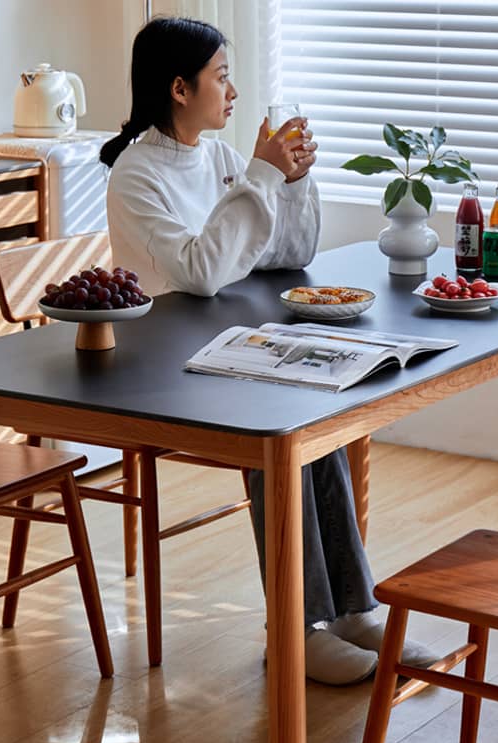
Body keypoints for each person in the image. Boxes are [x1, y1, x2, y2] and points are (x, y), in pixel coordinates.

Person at [101, 16, 435, 685]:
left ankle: (349, 607)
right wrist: (258, 176)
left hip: (220, 343)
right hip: (161, 367)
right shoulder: (136, 176)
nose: (231, 91)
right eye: (220, 76)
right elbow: (199, 271)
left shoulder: (219, 160)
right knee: (280, 421)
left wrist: (292, 181)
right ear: (177, 87)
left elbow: (286, 254)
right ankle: (298, 627)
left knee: (321, 402)